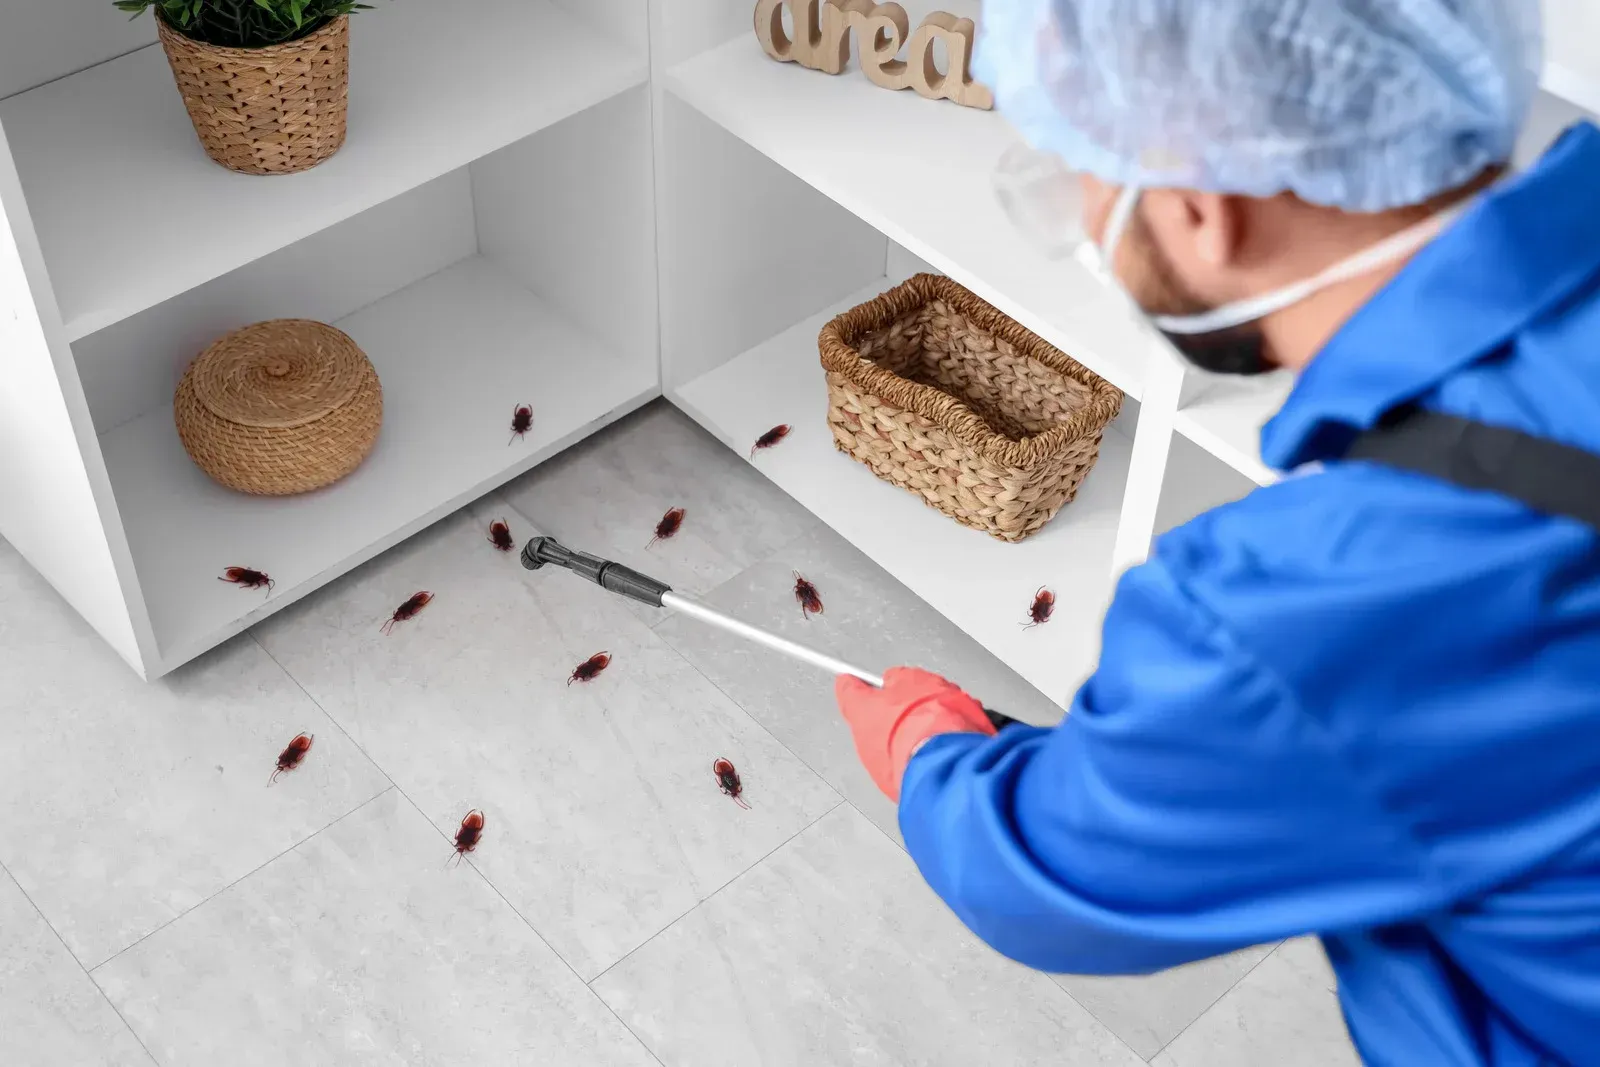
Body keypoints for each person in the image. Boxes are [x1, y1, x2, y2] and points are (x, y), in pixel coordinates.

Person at [832, 2, 1600, 1064]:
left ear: (1201, 206)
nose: (1086, 220)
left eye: (1082, 170)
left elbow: (1045, 876)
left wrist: (924, 752)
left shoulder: (1307, 602)